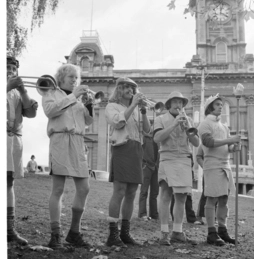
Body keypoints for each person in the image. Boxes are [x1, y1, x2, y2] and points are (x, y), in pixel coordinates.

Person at [42, 64, 94, 249]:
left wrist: (89, 104)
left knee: (84, 188)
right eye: (71, 76)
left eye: (76, 77)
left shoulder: (78, 99)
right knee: (58, 189)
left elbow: (88, 122)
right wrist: (74, 96)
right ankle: (55, 234)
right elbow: (51, 111)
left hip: (78, 141)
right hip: (60, 139)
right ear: (61, 77)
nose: (74, 80)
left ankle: (74, 232)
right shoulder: (50, 93)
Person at [105, 77, 151, 247]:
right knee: (120, 190)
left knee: (132, 192)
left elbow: (147, 131)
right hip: (122, 147)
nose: (130, 90)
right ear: (119, 90)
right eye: (126, 87)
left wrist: (144, 111)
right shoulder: (111, 107)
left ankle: (125, 232)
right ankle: (112, 234)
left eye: (132, 88)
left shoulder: (138, 109)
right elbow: (118, 122)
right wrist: (133, 106)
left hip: (136, 148)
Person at [153, 91, 199, 246]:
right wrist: (174, 124)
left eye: (181, 102)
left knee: (182, 197)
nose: (178, 105)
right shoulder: (160, 119)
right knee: (165, 195)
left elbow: (196, 143)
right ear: (169, 104)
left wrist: (187, 128)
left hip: (184, 158)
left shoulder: (189, 119)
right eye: (175, 102)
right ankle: (164, 233)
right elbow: (157, 139)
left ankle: (177, 232)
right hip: (167, 157)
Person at [198, 93, 241, 246]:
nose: (220, 107)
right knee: (212, 198)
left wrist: (235, 146)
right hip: (212, 165)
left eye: (221, 105)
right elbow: (208, 142)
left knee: (224, 198)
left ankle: (222, 230)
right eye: (217, 105)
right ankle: (211, 232)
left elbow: (228, 147)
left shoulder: (224, 126)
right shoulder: (204, 124)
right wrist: (230, 140)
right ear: (210, 107)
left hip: (225, 165)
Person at [7, 56, 38, 245]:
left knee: (8, 183)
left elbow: (32, 112)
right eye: (6, 67)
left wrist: (22, 90)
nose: (10, 70)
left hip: (12, 139)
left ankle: (9, 228)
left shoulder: (18, 93)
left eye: (13, 68)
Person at [138, 125, 159, 221]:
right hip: (147, 166)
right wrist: (143, 163)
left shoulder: (158, 139)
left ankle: (154, 214)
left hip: (156, 167)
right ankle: (142, 213)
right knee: (144, 191)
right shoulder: (144, 138)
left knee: (155, 192)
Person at [196, 144, 217, 225]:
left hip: (220, 170)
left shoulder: (221, 142)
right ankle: (199, 217)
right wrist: (205, 166)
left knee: (218, 194)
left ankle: (214, 218)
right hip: (208, 171)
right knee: (206, 193)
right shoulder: (203, 144)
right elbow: (199, 157)